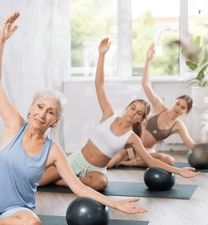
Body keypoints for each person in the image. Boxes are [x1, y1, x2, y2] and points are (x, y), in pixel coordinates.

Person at [0, 12, 147, 225]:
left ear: (54, 121)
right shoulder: (14, 125)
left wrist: (115, 204)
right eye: (39, 107)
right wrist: (1, 41)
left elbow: (79, 187)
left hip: (14, 209)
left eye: (50, 112)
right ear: (30, 108)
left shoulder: (53, 151)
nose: (41, 114)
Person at [39, 38, 199, 192]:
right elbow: (99, 84)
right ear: (127, 108)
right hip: (76, 160)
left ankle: (66, 182)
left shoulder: (132, 138)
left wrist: (179, 171)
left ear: (141, 119)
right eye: (133, 108)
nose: (134, 113)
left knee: (101, 182)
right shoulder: (109, 114)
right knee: (39, 183)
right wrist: (101, 55)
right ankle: (68, 178)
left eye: (139, 113)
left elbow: (150, 161)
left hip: (96, 170)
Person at [108, 43, 196, 168]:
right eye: (178, 104)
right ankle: (129, 160)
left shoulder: (178, 126)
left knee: (169, 160)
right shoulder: (159, 106)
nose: (178, 108)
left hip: (147, 152)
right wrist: (148, 60)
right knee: (109, 164)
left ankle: (132, 163)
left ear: (185, 112)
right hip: (132, 146)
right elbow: (145, 84)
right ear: (174, 102)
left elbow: (191, 144)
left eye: (183, 108)